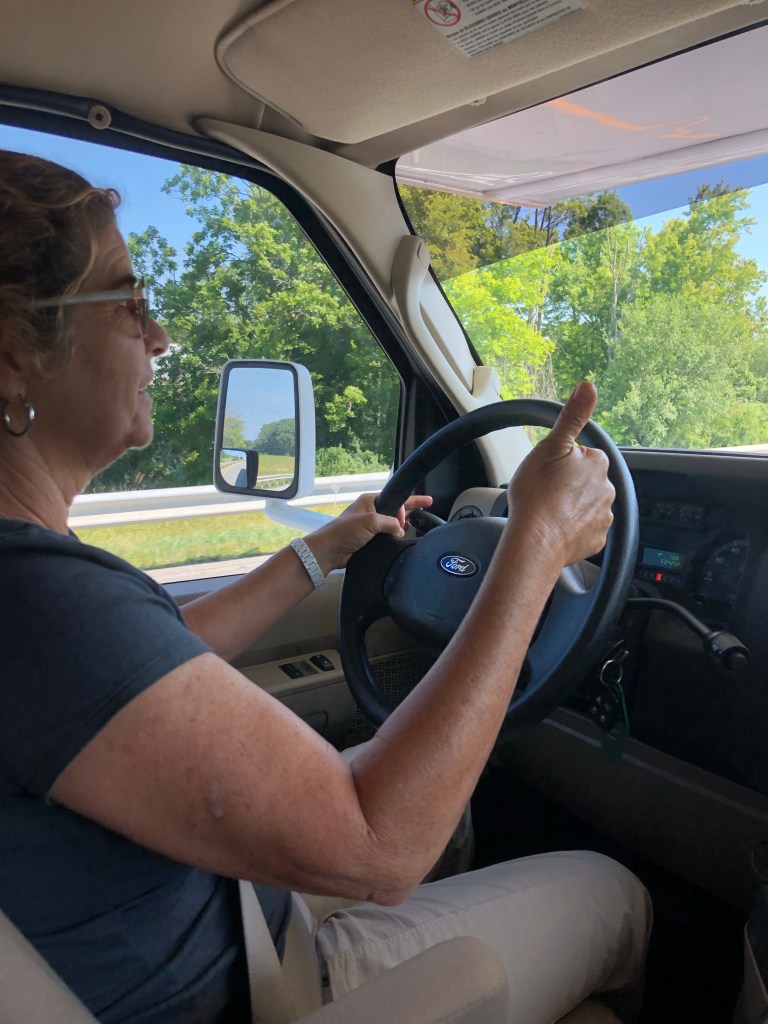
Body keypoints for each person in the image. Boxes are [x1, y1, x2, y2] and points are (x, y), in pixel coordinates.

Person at [0, 151, 651, 1024]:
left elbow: (153, 662)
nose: (159, 336)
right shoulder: (38, 603)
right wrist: (536, 546)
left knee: (457, 823)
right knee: (612, 893)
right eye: (127, 301)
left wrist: (323, 551)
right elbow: (385, 845)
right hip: (253, 986)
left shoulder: (40, 586)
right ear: (12, 357)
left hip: (192, 915)